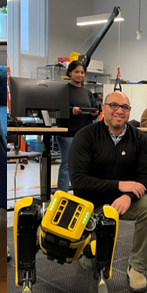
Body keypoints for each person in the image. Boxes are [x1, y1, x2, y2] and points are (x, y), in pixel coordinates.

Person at [66, 91, 147, 293]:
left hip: (123, 202)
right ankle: (85, 248)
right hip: (91, 204)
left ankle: (136, 268)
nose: (120, 111)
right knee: (92, 262)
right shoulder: (85, 136)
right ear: (103, 108)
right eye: (114, 105)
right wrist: (120, 186)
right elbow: (79, 181)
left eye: (125, 108)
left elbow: (145, 179)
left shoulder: (140, 139)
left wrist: (129, 195)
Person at [55, 60, 96, 193]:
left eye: (82, 72)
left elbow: (94, 109)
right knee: (67, 165)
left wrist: (94, 112)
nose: (80, 75)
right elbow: (57, 109)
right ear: (70, 72)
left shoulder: (87, 92)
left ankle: (83, 194)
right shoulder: (62, 90)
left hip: (85, 134)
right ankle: (62, 195)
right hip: (68, 133)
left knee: (85, 165)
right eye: (77, 72)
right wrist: (71, 111)